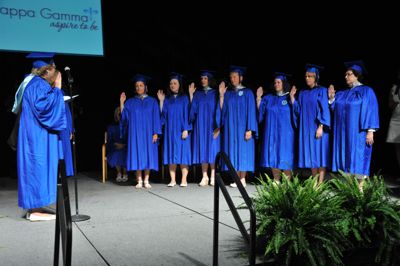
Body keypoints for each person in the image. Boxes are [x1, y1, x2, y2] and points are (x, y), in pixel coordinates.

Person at [17, 52, 66, 221]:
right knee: (37, 166)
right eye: (54, 70)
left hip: (34, 134)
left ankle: (35, 206)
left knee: (36, 167)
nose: (57, 74)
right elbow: (44, 108)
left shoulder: (33, 84)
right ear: (46, 71)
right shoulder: (38, 85)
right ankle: (35, 212)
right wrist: (58, 90)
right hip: (36, 137)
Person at [328, 61, 379, 189]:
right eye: (345, 74)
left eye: (349, 74)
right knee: (347, 159)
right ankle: (350, 190)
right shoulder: (343, 93)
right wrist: (332, 98)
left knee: (359, 159)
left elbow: (371, 110)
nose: (346, 76)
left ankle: (359, 190)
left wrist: (370, 131)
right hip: (345, 134)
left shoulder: (366, 91)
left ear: (357, 75)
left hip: (359, 133)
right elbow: (336, 108)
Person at [217, 65, 258, 187]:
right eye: (231, 77)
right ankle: (236, 178)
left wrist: (250, 129)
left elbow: (251, 111)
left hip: (243, 128)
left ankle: (243, 179)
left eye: (235, 77)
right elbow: (222, 111)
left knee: (243, 151)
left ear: (241, 77)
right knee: (233, 151)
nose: (232, 79)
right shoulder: (228, 94)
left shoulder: (248, 93)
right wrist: (221, 95)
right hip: (231, 128)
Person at [290, 64, 330, 185]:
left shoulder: (322, 91)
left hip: (318, 128)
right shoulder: (302, 93)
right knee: (312, 155)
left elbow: (324, 108)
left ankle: (320, 183)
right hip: (307, 129)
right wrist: (292, 97)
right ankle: (314, 181)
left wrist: (321, 126)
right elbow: (298, 110)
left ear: (316, 77)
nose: (307, 78)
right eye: (306, 76)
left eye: (310, 76)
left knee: (320, 154)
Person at [120, 74, 161, 188]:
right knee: (137, 154)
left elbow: (156, 118)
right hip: (135, 134)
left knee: (148, 154)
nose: (139, 87)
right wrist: (122, 103)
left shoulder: (153, 101)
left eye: (141, 85)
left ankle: (146, 180)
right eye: (137, 86)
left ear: (145, 87)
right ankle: (139, 180)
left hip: (149, 133)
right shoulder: (130, 102)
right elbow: (124, 119)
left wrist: (156, 132)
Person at [256, 73, 296, 182]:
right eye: (275, 82)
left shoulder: (288, 97)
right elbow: (261, 113)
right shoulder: (269, 98)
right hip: (272, 132)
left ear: (284, 83)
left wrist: (292, 98)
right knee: (274, 154)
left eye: (278, 82)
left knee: (285, 155)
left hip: (286, 133)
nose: (276, 84)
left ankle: (287, 181)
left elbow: (296, 112)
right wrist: (258, 98)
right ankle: (276, 180)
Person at [157, 72, 191, 187]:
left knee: (183, 155)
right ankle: (172, 180)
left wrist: (186, 129)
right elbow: (162, 116)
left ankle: (184, 179)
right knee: (171, 155)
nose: (172, 85)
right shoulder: (167, 99)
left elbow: (188, 114)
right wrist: (161, 101)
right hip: (170, 131)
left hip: (182, 130)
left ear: (179, 84)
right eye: (171, 83)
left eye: (175, 83)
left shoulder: (185, 98)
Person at [189, 70, 220, 186]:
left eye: (205, 78)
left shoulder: (216, 93)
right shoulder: (198, 94)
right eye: (202, 79)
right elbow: (193, 111)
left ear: (210, 80)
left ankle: (213, 176)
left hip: (213, 125)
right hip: (201, 125)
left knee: (212, 149)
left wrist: (218, 126)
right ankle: (204, 176)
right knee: (203, 149)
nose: (203, 81)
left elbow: (219, 109)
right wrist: (191, 95)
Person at [107, 107, 128, 183]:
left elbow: (131, 138)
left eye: (121, 113)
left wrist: (124, 145)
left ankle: (125, 173)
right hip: (115, 146)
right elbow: (109, 139)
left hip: (126, 146)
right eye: (118, 113)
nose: (120, 114)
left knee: (125, 153)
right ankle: (119, 172)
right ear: (116, 114)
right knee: (116, 153)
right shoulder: (111, 126)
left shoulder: (128, 126)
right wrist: (116, 144)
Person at [386, 68, 400, 170]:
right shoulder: (395, 88)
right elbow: (390, 105)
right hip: (396, 119)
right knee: (398, 148)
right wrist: (394, 101)